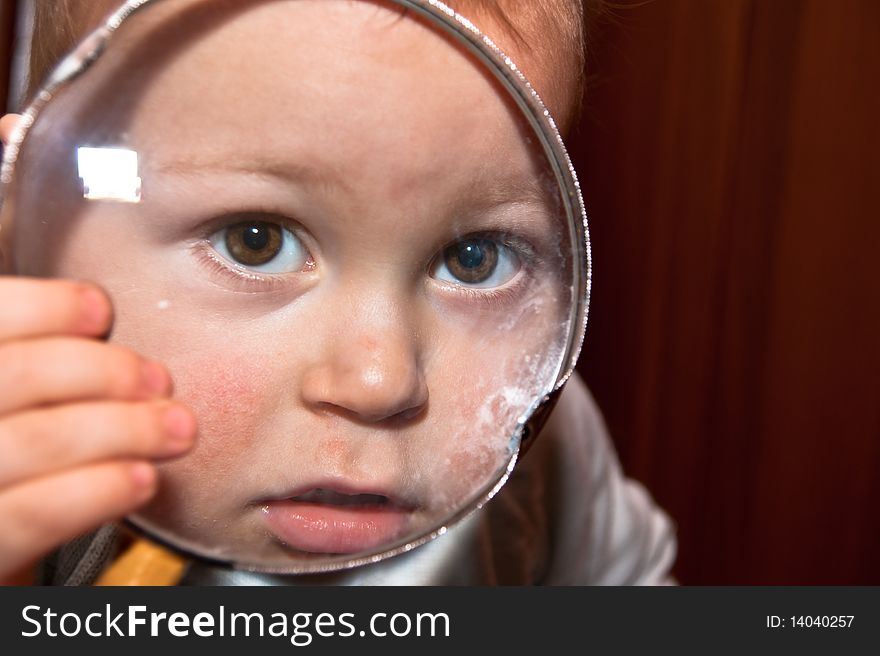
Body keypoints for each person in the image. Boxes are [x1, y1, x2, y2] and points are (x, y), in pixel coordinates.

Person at [0, 0, 676, 585]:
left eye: (475, 259)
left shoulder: (539, 440)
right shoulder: (34, 476)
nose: (380, 381)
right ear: (31, 228)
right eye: (255, 240)